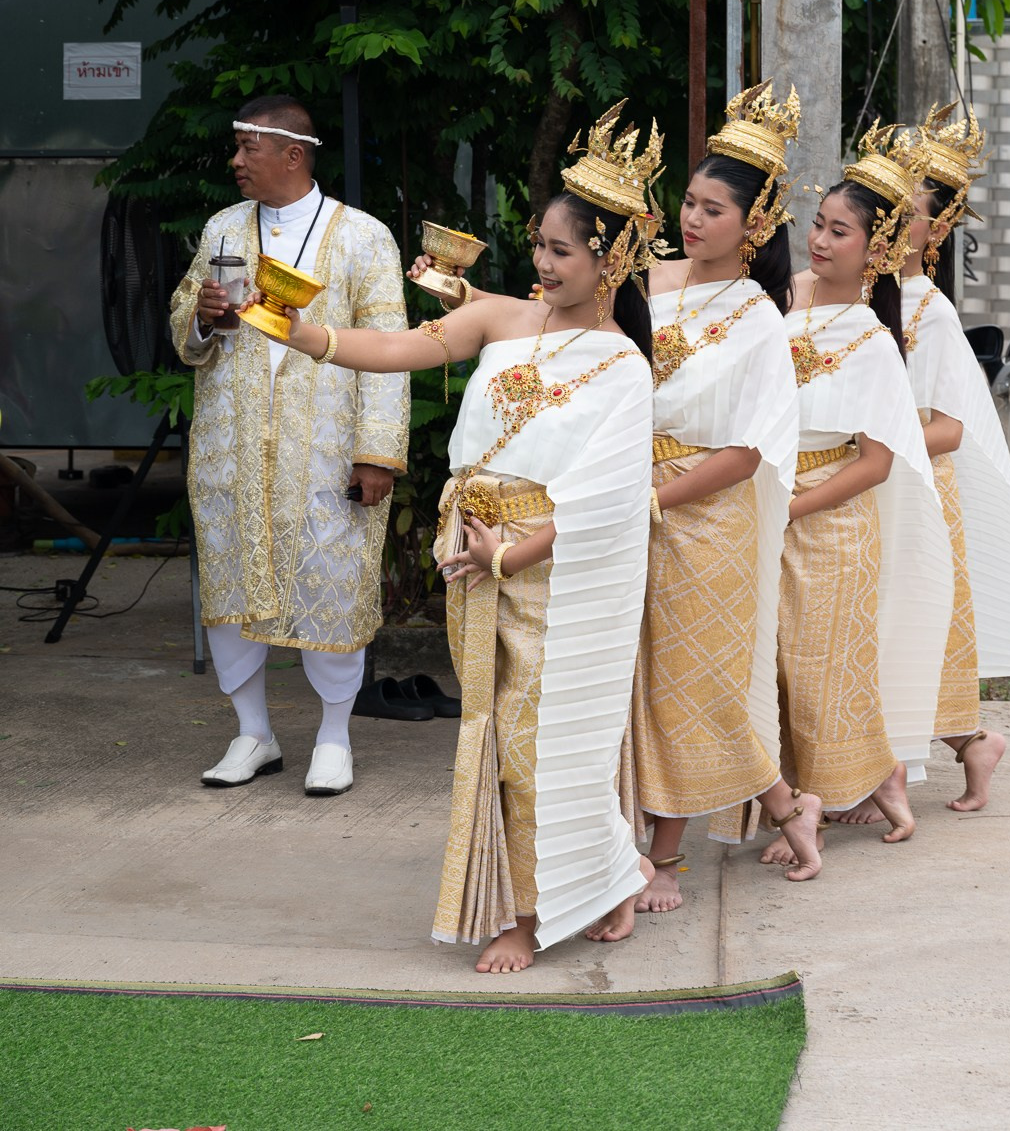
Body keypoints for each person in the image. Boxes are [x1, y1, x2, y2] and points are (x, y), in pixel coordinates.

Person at [252, 103, 662, 973]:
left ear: (612, 259)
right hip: (474, 558)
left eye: (563, 251)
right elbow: (400, 347)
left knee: (537, 740)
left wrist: (508, 554)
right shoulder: (504, 318)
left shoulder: (626, 367)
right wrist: (304, 332)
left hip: (549, 573)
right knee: (496, 733)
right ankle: (603, 875)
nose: (544, 263)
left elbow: (604, 498)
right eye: (540, 244)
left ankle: (537, 910)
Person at [170, 96, 410, 796]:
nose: (236, 161)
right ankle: (253, 732)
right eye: (237, 147)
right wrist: (201, 317)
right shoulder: (223, 227)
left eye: (248, 148)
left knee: (331, 583)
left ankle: (334, 737)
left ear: (293, 155)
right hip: (233, 446)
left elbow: (390, 350)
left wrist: (377, 452)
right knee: (232, 587)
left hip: (326, 449)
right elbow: (185, 327)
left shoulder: (364, 237)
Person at [630, 83, 821, 902]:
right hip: (630, 496)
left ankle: (667, 854)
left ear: (754, 225)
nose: (693, 219)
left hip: (705, 515)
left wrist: (658, 497)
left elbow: (747, 452)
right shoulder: (647, 279)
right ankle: (787, 807)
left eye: (713, 210)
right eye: (689, 202)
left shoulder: (758, 319)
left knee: (690, 679)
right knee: (642, 676)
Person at [761, 123, 953, 867]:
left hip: (833, 522)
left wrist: (794, 506)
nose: (818, 240)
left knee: (819, 670)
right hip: (770, 506)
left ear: (874, 249)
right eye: (818, 223)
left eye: (839, 231)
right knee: (779, 667)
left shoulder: (873, 339)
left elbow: (875, 463)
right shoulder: (784, 304)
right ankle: (873, 779)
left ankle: (818, 803)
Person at [897, 105, 1010, 809]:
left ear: (938, 229)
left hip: (914, 484)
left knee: (907, 635)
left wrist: (867, 450)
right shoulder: (855, 297)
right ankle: (971, 742)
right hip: (870, 481)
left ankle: (938, 752)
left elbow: (947, 430)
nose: (891, 222)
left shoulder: (934, 313)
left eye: (908, 213)